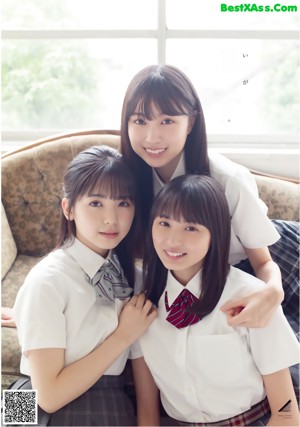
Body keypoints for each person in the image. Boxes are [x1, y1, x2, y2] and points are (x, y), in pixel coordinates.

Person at [120, 64, 299, 334]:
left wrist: (273, 292)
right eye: (140, 121)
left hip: (274, 260)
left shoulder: (228, 179)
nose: (152, 136)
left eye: (167, 121)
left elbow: (264, 262)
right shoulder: (125, 180)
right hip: (202, 273)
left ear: (190, 123)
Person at [131, 174, 299, 426]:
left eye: (191, 228)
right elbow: (147, 412)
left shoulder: (251, 299)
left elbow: (286, 413)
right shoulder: (142, 307)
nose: (173, 240)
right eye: (164, 223)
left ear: (216, 234)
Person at [12, 145, 157, 426]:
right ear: (68, 208)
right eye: (96, 203)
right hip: (34, 398)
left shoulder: (135, 279)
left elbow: (145, 391)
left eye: (123, 203)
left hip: (107, 398)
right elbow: (49, 396)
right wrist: (122, 337)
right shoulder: (46, 280)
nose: (111, 218)